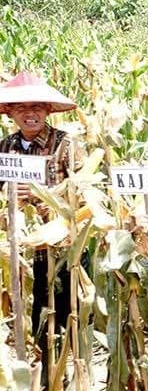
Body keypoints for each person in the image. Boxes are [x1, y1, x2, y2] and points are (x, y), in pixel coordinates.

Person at [0, 71, 79, 374]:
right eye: (21, 107)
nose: (29, 114)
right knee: (32, 311)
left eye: (36, 107)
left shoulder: (65, 145)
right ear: (10, 112)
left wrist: (43, 196)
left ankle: (60, 373)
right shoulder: (4, 148)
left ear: (47, 110)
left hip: (61, 248)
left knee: (63, 311)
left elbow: (84, 193)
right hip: (20, 250)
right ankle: (35, 375)